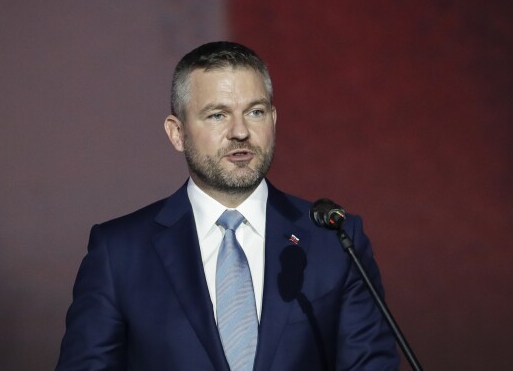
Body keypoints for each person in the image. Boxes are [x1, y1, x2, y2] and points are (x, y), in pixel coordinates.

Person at [56, 41, 400, 371]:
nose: (240, 131)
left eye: (255, 112)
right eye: (218, 115)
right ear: (177, 133)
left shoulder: (334, 242)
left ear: (274, 120)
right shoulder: (119, 252)